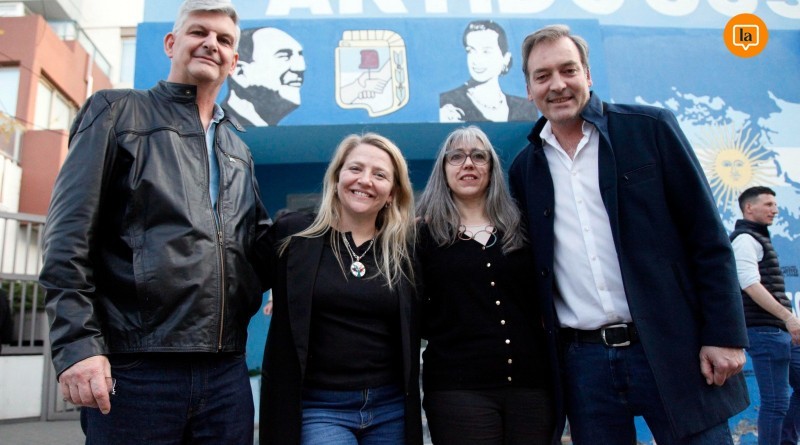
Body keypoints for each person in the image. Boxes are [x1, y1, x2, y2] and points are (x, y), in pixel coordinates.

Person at [38, 1, 270, 443]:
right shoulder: (116, 112)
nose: (211, 44)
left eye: (224, 40)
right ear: (170, 43)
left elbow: (258, 245)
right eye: (198, 32)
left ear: (234, 61)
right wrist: (78, 347)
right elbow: (66, 239)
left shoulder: (237, 150)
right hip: (135, 370)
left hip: (226, 374)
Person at [508, 24, 749, 444]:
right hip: (584, 364)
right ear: (529, 90)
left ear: (588, 75)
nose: (557, 85)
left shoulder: (649, 128)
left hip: (675, 348)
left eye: (568, 70)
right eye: (542, 76)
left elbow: (708, 238)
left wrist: (724, 336)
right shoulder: (525, 169)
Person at [258, 133, 422, 445]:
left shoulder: (406, 251)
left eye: (379, 175)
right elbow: (238, 282)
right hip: (320, 407)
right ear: (336, 178)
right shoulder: (294, 235)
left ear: (392, 193)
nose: (365, 180)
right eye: (355, 168)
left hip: (390, 407)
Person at [416, 126, 557, 444]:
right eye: (456, 157)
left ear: (492, 168)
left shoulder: (523, 229)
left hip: (531, 387)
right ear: (443, 170)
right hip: (458, 390)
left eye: (479, 156)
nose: (468, 163)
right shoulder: (421, 236)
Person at [730, 186, 800, 445]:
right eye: (769, 204)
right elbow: (749, 283)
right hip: (765, 331)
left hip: (779, 330)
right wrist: (788, 317)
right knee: (776, 403)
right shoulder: (744, 240)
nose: (775, 210)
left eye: (775, 204)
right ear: (749, 208)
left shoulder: (759, 239)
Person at [440, 20, 536, 123]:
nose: (477, 59)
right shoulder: (448, 102)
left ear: (505, 59)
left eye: (486, 51)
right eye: (471, 50)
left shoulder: (525, 107)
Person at [222, 26, 305, 126]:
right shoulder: (220, 129)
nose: (300, 68)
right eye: (284, 56)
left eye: (299, 55)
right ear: (240, 73)